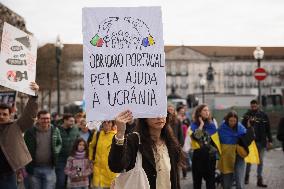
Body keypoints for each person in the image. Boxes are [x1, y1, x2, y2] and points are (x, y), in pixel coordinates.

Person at [108, 110, 184, 189]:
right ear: (144, 118)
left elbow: (175, 179)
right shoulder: (134, 140)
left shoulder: (171, 142)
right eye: (154, 114)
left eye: (162, 113)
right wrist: (120, 133)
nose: (159, 117)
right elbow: (116, 166)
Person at [0, 82, 39, 189]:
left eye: (5, 114)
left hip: (9, 174)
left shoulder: (16, 126)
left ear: (10, 115)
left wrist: (33, 96)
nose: (2, 117)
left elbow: (29, 115)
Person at [24, 110, 62, 189]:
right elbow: (24, 147)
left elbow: (59, 143)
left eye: (47, 118)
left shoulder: (55, 130)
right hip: (34, 168)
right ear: (38, 119)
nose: (46, 120)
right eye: (43, 118)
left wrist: (56, 152)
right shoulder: (30, 132)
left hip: (49, 167)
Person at [218, 111, 254, 189]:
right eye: (231, 121)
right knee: (227, 183)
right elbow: (217, 142)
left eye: (235, 121)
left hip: (239, 156)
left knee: (239, 180)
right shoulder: (221, 128)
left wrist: (250, 128)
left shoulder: (240, 127)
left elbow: (248, 139)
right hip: (227, 157)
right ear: (227, 120)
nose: (233, 123)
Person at [189, 104, 221, 189]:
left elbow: (215, 143)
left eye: (208, 110)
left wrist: (216, 155)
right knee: (197, 182)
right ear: (199, 113)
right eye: (205, 110)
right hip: (198, 157)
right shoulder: (194, 125)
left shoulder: (212, 125)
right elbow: (196, 137)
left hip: (210, 157)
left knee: (210, 182)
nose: (207, 112)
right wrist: (201, 125)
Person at [242, 100, 272, 187]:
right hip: (250, 143)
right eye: (252, 106)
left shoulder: (264, 115)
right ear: (250, 106)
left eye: (255, 106)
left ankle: (259, 179)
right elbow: (242, 128)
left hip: (261, 142)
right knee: (249, 161)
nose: (254, 108)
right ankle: (246, 177)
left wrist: (270, 140)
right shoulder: (246, 116)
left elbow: (268, 129)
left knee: (260, 160)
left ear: (258, 105)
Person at [88, 120, 117, 189]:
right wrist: (91, 159)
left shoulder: (116, 136)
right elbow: (91, 146)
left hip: (111, 171)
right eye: (104, 122)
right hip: (98, 170)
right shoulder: (97, 134)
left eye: (109, 122)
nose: (106, 123)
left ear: (112, 124)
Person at [56, 113, 80, 189]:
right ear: (65, 120)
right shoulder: (57, 129)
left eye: (73, 121)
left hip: (73, 158)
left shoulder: (75, 129)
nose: (73, 123)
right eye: (71, 121)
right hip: (61, 159)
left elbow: (78, 141)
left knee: (74, 181)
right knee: (61, 181)